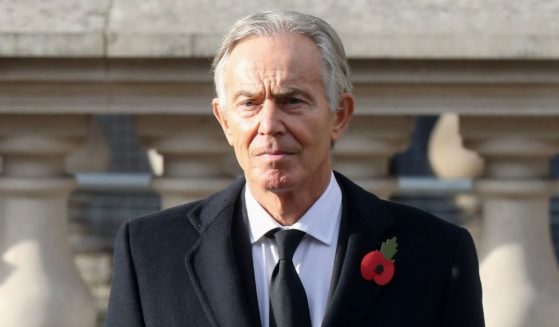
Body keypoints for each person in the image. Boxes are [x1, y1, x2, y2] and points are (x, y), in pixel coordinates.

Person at [105, 9, 484, 327]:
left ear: (340, 115)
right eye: (250, 103)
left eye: (292, 101)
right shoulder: (150, 254)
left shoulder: (436, 255)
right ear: (224, 121)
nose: (269, 125)